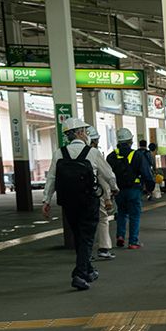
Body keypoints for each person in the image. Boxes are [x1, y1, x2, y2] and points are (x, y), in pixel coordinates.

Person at [42, 117, 116, 290]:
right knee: (87, 237)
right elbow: (109, 175)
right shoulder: (92, 153)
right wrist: (114, 189)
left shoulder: (59, 153)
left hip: (68, 202)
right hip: (88, 200)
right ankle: (79, 274)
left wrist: (46, 200)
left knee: (79, 236)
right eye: (84, 130)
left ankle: (89, 270)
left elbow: (51, 178)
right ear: (80, 132)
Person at [107, 127, 154, 249]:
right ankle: (133, 241)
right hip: (133, 189)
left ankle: (120, 236)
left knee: (122, 213)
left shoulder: (111, 156)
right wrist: (150, 187)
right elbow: (146, 172)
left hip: (118, 190)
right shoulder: (137, 155)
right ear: (130, 141)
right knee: (134, 215)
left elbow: (107, 174)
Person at [86, 126, 119, 260]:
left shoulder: (68, 151)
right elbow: (104, 176)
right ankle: (103, 249)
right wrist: (109, 194)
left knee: (83, 221)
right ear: (95, 140)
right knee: (102, 218)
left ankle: (85, 252)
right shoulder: (94, 153)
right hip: (94, 192)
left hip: (76, 194)